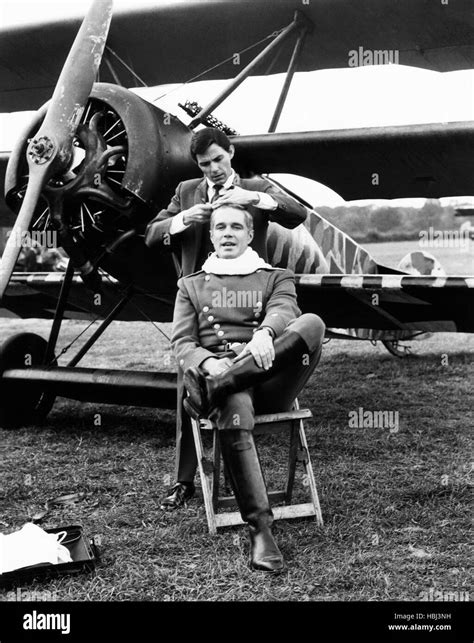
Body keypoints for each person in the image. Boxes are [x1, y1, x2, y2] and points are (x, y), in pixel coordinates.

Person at [145, 127, 308, 510]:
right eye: (205, 164)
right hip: (200, 300)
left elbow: (297, 214)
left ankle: (235, 463)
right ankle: (184, 480)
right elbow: (152, 236)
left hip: (249, 302)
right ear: (197, 165)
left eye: (219, 159)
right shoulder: (187, 192)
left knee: (225, 384)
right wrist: (184, 219)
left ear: (230, 153)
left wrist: (255, 198)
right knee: (189, 381)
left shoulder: (255, 187)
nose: (214, 169)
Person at [171, 204, 325, 572]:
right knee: (233, 402)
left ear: (249, 234)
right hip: (222, 372)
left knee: (313, 323)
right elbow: (182, 344)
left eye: (236, 227)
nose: (227, 233)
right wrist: (209, 364)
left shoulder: (276, 276)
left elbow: (286, 309)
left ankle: (217, 386)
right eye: (220, 227)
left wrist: (266, 332)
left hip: (270, 376)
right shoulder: (190, 284)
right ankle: (261, 531)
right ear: (210, 236)